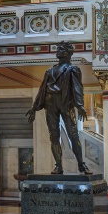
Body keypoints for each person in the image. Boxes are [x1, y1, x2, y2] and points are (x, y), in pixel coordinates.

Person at [26, 41, 91, 175]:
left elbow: (78, 88)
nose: (58, 51)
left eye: (62, 49)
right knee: (54, 136)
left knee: (73, 135)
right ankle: (58, 166)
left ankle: (81, 165)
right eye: (58, 49)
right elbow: (42, 89)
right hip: (50, 103)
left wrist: (80, 105)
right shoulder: (49, 71)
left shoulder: (73, 69)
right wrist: (34, 107)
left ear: (69, 53)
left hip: (65, 102)